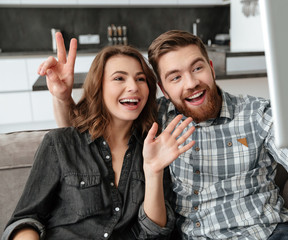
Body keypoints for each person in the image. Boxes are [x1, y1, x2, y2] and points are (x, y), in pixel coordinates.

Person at [38, 30, 288, 239]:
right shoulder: (158, 117)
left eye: (197, 68)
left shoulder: (258, 113)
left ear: (211, 66)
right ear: (162, 88)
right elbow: (84, 138)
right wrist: (63, 97)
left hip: (267, 232)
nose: (190, 83)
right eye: (175, 77)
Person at [1, 35, 196, 240]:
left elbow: (155, 233)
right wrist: (63, 98)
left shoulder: (155, 148)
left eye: (141, 79)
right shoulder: (58, 143)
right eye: (119, 78)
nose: (133, 87)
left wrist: (153, 171)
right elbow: (25, 220)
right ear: (99, 86)